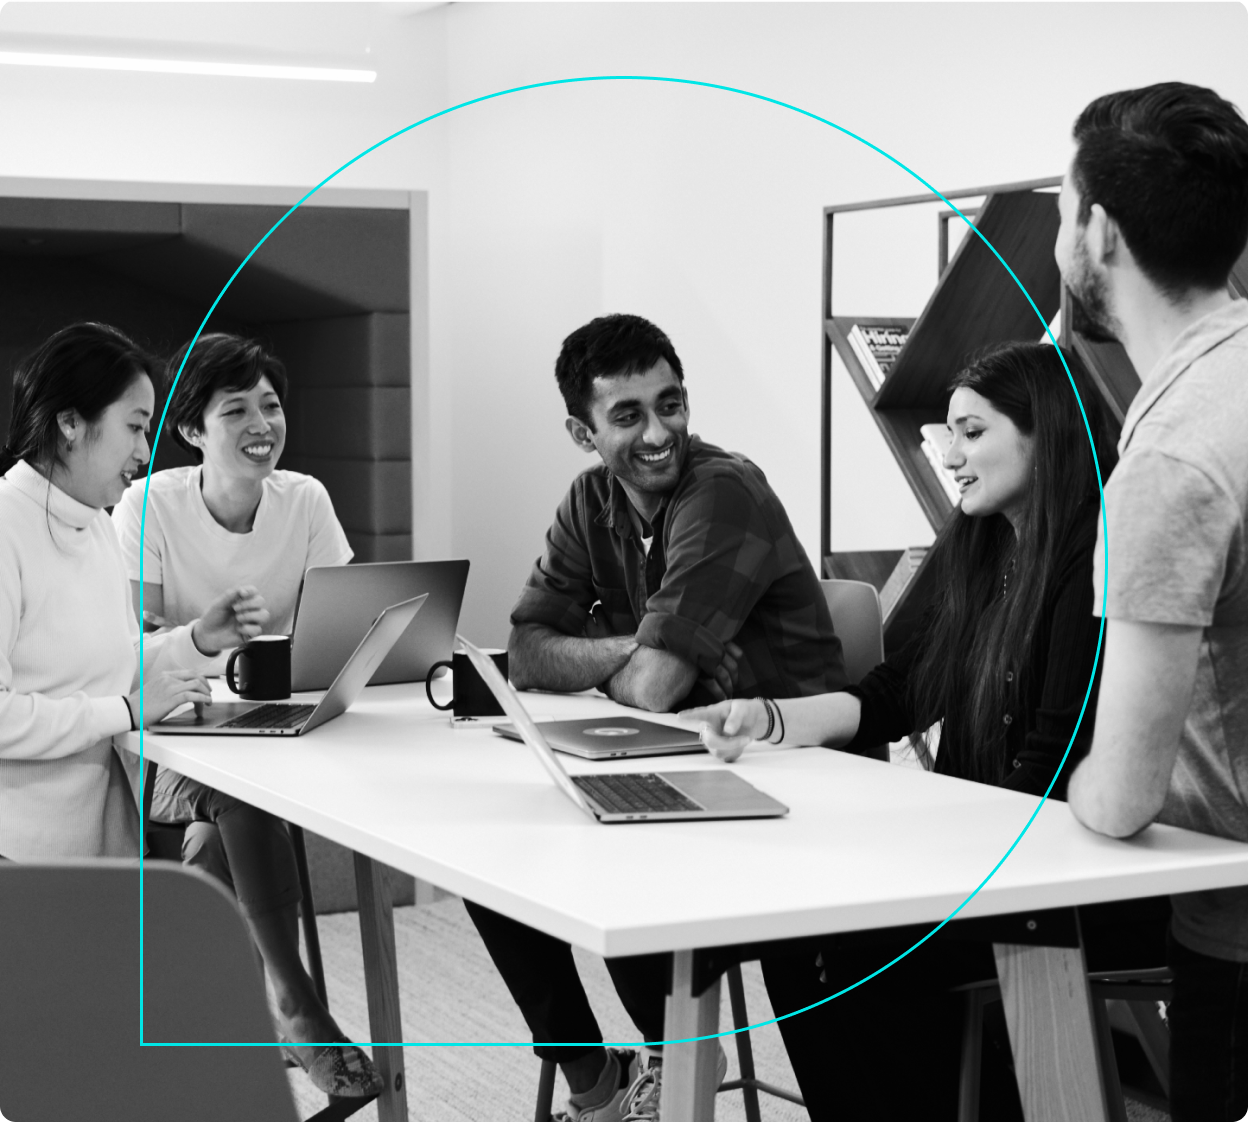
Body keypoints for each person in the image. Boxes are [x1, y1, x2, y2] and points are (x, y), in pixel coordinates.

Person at [687, 342, 1166, 1120]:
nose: (952, 457)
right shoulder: (978, 541)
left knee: (847, 952)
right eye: (950, 436)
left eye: (972, 433)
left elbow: (1051, 763)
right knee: (794, 940)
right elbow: (896, 693)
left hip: (1067, 878)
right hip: (983, 858)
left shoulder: (1095, 545)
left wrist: (929, 856)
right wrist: (767, 720)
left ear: (1043, 431)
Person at [465, 313, 847, 1121]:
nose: (658, 433)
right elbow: (528, 649)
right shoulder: (589, 499)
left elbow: (653, 690)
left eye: (669, 404)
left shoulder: (724, 491)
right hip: (684, 767)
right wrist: (631, 648)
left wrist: (637, 663)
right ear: (582, 430)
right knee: (487, 867)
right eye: (628, 415)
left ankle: (681, 1070)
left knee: (612, 872)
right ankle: (597, 1086)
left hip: (800, 794)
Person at [111, 332, 377, 1098]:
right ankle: (294, 1004)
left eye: (271, 403)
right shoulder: (147, 504)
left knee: (215, 839)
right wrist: (212, 646)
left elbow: (347, 623)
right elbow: (134, 641)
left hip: (278, 728)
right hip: (170, 738)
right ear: (192, 429)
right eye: (237, 409)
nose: (263, 422)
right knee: (234, 796)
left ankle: (232, 1010)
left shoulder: (306, 500)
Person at [1058, 82, 1248, 1122]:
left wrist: (1082, 791)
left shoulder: (1174, 454)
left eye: (1060, 208)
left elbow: (1125, 791)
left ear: (1101, 232)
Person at [0, 322, 245, 856]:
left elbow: (109, 664)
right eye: (135, 427)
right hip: (21, 854)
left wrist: (198, 640)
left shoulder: (94, 522)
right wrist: (129, 711)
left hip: (100, 836)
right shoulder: (5, 527)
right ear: (69, 422)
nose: (145, 449)